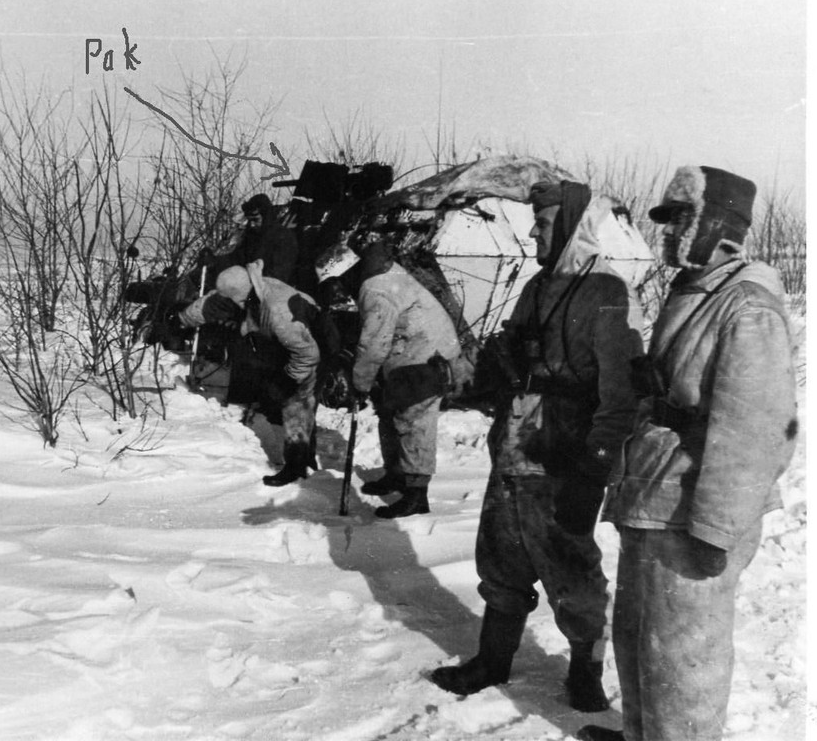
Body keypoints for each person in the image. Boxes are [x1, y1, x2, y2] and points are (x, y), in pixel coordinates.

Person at [578, 167, 798, 741]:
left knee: (682, 659)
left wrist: (716, 527)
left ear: (717, 226)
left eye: (681, 220)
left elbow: (755, 430)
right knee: (638, 638)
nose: (669, 232)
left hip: (692, 510)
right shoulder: (696, 290)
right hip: (657, 496)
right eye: (669, 221)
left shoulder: (746, 307)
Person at [430, 180, 645, 713]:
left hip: (564, 453)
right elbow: (507, 354)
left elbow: (621, 395)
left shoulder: (607, 292)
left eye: (543, 224)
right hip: (515, 444)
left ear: (571, 228)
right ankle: (493, 659)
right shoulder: (536, 286)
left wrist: (596, 467)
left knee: (570, 564)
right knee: (500, 551)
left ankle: (585, 672)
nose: (532, 233)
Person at [344, 239, 469, 520]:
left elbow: (374, 344)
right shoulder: (383, 273)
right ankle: (397, 475)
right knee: (389, 412)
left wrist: (360, 384)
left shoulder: (375, 290)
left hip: (428, 358)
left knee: (414, 418)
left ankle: (416, 494)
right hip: (414, 350)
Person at [179, 262, 321, 487]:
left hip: (309, 346)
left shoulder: (278, 311)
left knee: (295, 404)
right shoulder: (249, 286)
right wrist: (181, 320)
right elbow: (211, 304)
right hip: (287, 344)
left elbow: (307, 355)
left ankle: (296, 467)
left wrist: (289, 379)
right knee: (282, 402)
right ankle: (305, 456)